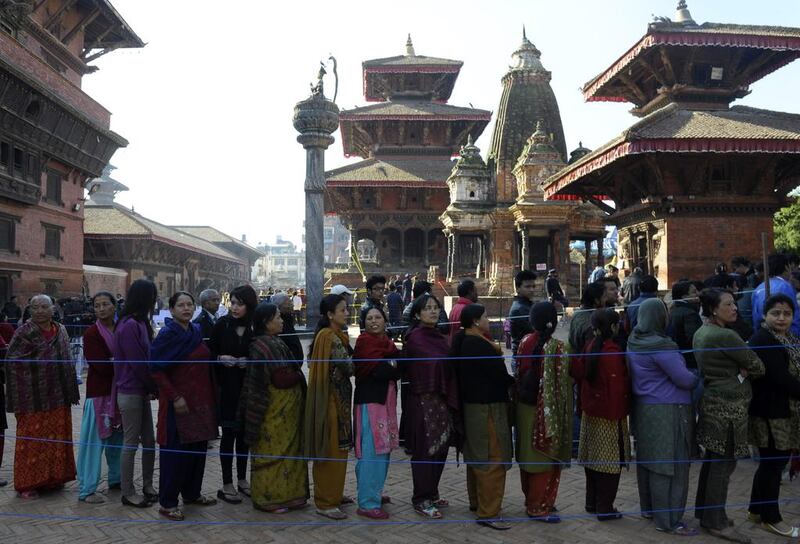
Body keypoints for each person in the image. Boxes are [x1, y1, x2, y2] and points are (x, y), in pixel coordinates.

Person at [694, 288, 764, 543]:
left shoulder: (702, 332)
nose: (734, 308)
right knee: (723, 466)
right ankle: (716, 521)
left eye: (734, 303)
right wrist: (742, 373)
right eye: (728, 304)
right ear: (713, 309)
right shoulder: (727, 336)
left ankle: (706, 513)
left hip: (712, 401)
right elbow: (757, 366)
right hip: (730, 408)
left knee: (714, 462)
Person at [627, 297, 699, 535]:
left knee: (649, 462)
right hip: (670, 410)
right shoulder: (662, 346)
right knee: (671, 465)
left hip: (644, 409)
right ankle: (668, 520)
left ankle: (650, 510)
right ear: (659, 317)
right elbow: (684, 379)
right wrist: (699, 376)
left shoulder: (634, 341)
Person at [149, 292, 218, 521]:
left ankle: (191, 493)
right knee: (175, 453)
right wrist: (174, 396)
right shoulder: (168, 334)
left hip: (200, 401)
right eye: (181, 305)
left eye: (190, 304)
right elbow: (156, 369)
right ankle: (168, 503)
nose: (186, 309)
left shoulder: (195, 331)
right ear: (171, 309)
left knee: (197, 451)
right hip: (178, 404)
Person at [5, 294, 79, 499]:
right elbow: (12, 363)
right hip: (32, 398)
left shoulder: (61, 330)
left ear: (53, 308)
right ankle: (27, 483)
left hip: (58, 396)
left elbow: (66, 359)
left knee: (56, 438)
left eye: (43, 307)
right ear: (29, 309)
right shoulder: (24, 332)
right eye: (34, 307)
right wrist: (43, 369)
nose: (39, 311)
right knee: (32, 440)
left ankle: (53, 478)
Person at [240, 302, 308, 513]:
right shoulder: (262, 346)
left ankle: (291, 496)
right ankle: (268, 499)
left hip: (287, 414)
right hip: (272, 412)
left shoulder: (275, 341)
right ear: (266, 322)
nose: (281, 320)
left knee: (291, 453)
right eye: (277, 317)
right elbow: (279, 379)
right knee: (272, 453)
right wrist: (298, 374)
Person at [451, 304, 514, 530]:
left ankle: (477, 502)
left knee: (478, 456)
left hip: (473, 408)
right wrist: (513, 382)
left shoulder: (464, 341)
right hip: (487, 407)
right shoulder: (477, 345)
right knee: (492, 459)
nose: (488, 320)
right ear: (476, 321)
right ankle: (488, 512)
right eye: (486, 317)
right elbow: (499, 375)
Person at [746, 294, 800, 538]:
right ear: (764, 315)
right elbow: (779, 378)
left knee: (771, 463)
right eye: (775, 313)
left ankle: (756, 510)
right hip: (771, 411)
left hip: (784, 410)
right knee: (774, 465)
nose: (781, 318)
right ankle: (772, 517)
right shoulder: (763, 339)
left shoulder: (787, 337)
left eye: (787, 313)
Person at [401, 294, 458, 520]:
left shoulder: (439, 336)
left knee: (441, 447)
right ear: (417, 314)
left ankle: (432, 492)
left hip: (441, 401)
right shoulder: (415, 338)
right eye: (427, 308)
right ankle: (421, 498)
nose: (433, 312)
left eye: (435, 308)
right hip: (423, 400)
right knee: (425, 450)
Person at [571, 309, 630, 521]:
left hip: (591, 412)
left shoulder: (591, 346)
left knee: (593, 461)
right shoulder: (611, 352)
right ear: (613, 328)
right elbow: (615, 389)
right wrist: (619, 414)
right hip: (609, 415)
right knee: (609, 464)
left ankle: (592, 502)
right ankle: (604, 507)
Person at [515, 302, 572, 522]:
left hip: (524, 407)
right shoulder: (558, 348)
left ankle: (532, 500)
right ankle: (537, 506)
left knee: (529, 456)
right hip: (547, 410)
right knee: (544, 457)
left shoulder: (523, 342)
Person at [304, 294, 354, 520]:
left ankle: (334, 493)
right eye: (342, 310)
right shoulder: (331, 338)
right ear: (330, 315)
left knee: (339, 449)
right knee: (331, 449)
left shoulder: (334, 336)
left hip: (338, 402)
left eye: (346, 309)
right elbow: (350, 367)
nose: (347, 313)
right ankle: (325, 502)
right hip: (332, 403)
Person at [209, 284, 258, 504]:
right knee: (228, 436)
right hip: (227, 388)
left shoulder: (255, 327)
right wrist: (221, 359)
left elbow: (263, 355)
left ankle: (242, 479)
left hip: (248, 389)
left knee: (244, 437)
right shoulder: (222, 325)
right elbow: (209, 354)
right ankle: (227, 482)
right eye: (233, 303)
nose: (235, 308)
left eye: (240, 304)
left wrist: (250, 362)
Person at [113, 279, 159, 507]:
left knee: (149, 440)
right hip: (131, 389)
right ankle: (127, 491)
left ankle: (148, 485)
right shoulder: (130, 324)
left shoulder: (140, 323)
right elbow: (137, 362)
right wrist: (154, 385)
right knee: (131, 442)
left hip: (140, 389)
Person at [353, 306, 400, 520]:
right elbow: (385, 371)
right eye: (369, 318)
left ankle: (374, 493)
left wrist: (393, 366)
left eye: (378, 317)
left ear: (385, 320)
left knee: (383, 449)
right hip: (370, 404)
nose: (373, 321)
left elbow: (396, 367)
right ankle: (367, 503)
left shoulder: (387, 343)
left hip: (385, 403)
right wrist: (394, 366)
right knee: (371, 452)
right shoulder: (364, 343)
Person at [77, 292, 122, 503]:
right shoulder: (92, 333)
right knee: (94, 442)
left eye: (105, 304)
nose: (101, 309)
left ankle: (117, 478)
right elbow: (102, 366)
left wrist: (117, 361)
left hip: (120, 392)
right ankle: (87, 489)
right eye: (97, 306)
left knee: (118, 440)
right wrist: (122, 363)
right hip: (99, 394)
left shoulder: (122, 328)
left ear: (114, 306)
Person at [752, 253, 800, 336]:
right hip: (783, 336)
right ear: (786, 267)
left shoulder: (759, 287)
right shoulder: (785, 286)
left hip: (763, 334)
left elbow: (755, 316)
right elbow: (794, 316)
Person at [668, 280, 702, 370]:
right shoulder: (689, 314)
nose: (698, 293)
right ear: (684, 297)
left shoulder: (673, 310)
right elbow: (694, 338)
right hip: (690, 360)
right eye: (694, 292)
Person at [568, 282, 605, 353]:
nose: (605, 301)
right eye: (604, 297)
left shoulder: (578, 313)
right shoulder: (591, 324)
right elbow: (591, 354)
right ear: (596, 301)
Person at [508, 270, 537, 356]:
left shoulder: (528, 304)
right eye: (527, 287)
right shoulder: (519, 309)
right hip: (523, 356)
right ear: (517, 288)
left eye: (533, 286)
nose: (532, 290)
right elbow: (537, 331)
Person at [271, 293, 304, 364]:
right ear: (279, 307)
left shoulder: (288, 319)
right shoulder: (278, 324)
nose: (292, 305)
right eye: (288, 303)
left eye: (291, 302)